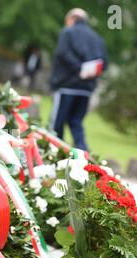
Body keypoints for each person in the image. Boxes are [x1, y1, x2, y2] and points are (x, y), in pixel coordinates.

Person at [49, 8, 108, 151]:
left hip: (66, 85)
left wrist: (79, 68)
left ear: (71, 19)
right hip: (86, 89)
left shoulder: (67, 32)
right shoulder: (97, 39)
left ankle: (54, 152)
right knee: (76, 122)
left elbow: (62, 53)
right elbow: (104, 63)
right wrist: (89, 71)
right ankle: (83, 152)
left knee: (57, 124)